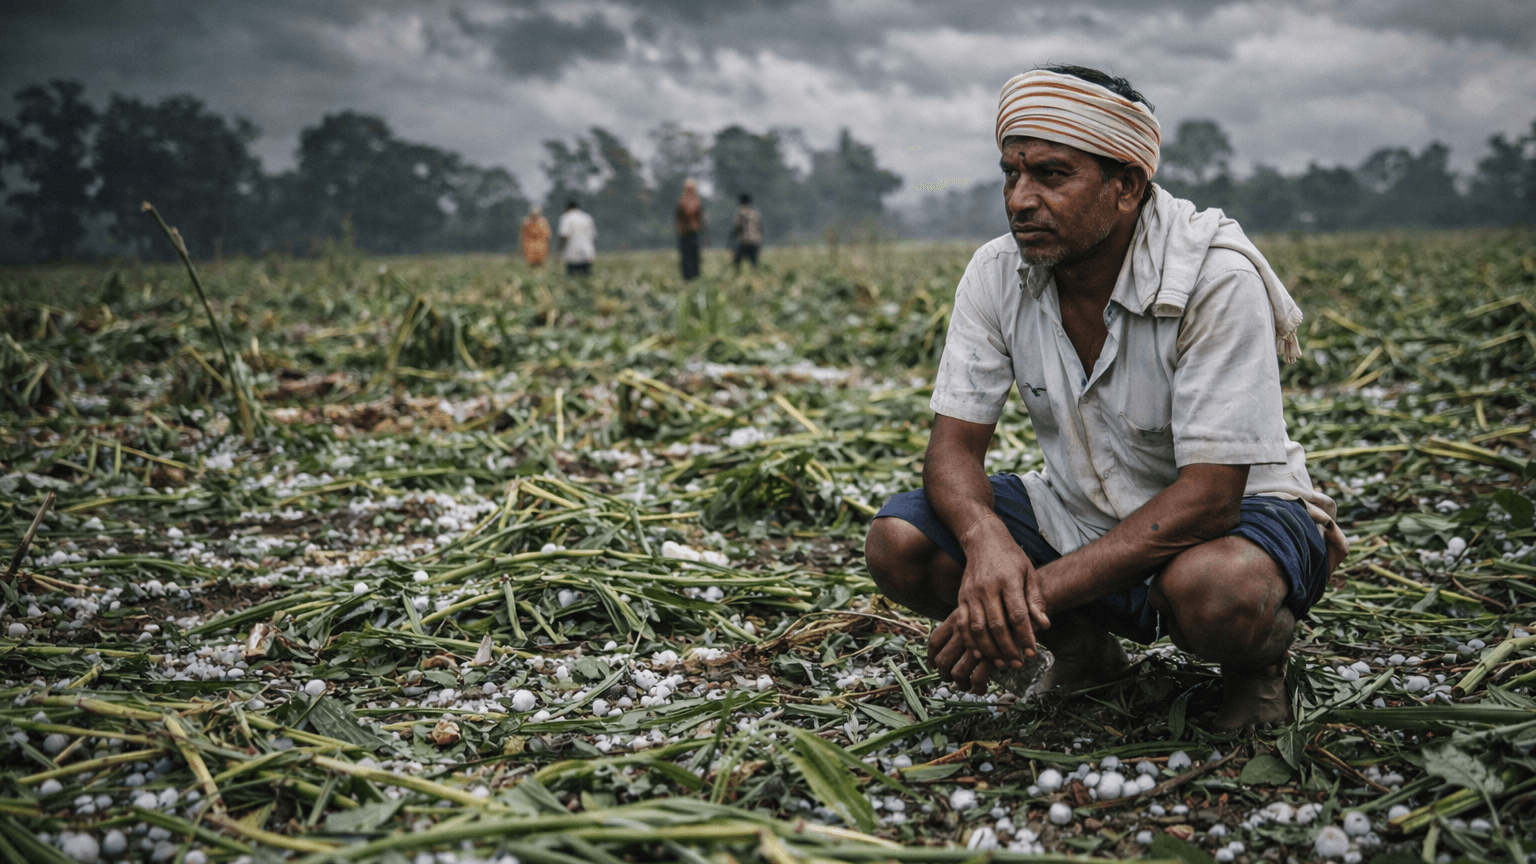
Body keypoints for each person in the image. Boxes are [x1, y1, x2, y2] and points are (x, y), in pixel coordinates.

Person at [863, 65, 1350, 730]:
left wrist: (1017, 599)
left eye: (1052, 176)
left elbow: (1211, 497)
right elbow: (953, 450)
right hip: (1081, 510)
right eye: (1012, 173)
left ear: (1126, 188)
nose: (1020, 200)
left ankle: (1255, 666)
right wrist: (987, 545)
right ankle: (1085, 651)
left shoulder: (1215, 278)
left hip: (1235, 520)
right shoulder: (997, 273)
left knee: (1219, 593)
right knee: (901, 542)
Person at [557, 199, 596, 276]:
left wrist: (559, 250)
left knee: (572, 278)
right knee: (586, 277)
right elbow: (593, 236)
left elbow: (564, 235)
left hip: (572, 253)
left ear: (567, 207)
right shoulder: (587, 217)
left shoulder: (566, 218)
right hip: (586, 253)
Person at [676, 179, 705, 281]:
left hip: (685, 232)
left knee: (686, 255)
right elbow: (701, 218)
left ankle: (687, 276)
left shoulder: (681, 201)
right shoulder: (697, 201)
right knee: (694, 255)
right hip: (694, 231)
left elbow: (679, 218)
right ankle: (695, 275)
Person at [732, 193, 763, 271]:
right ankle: (755, 276)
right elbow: (760, 227)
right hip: (755, 240)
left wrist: (734, 236)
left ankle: (736, 276)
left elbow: (738, 226)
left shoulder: (740, 211)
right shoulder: (755, 212)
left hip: (744, 240)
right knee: (754, 262)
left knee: (737, 262)